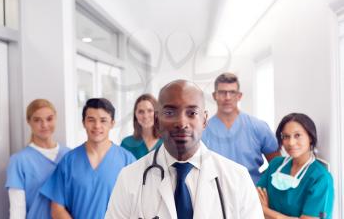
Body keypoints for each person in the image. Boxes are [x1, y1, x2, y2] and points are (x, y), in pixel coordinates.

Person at [104, 80, 264, 219]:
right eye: (169, 112)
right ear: (157, 120)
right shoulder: (129, 178)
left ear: (204, 120)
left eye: (192, 112)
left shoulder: (237, 178)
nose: (181, 122)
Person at [40, 98, 135, 219]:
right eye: (91, 120)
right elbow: (57, 208)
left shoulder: (127, 161)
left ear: (112, 123)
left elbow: (136, 205)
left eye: (103, 120)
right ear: (83, 122)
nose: (97, 126)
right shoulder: (69, 161)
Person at [202, 72, 279, 184]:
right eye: (222, 92)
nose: (227, 97)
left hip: (252, 194)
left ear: (239, 96)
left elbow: (277, 165)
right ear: (214, 96)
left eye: (232, 92)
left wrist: (260, 183)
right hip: (216, 195)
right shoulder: (202, 131)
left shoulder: (258, 127)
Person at [257, 113, 334, 218]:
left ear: (310, 137)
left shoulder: (321, 178)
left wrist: (266, 211)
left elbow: (260, 210)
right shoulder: (275, 165)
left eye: (297, 135)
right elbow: (254, 204)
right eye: (286, 136)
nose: (291, 142)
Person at [5, 99, 70, 219]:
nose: (44, 125)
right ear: (29, 121)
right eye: (37, 120)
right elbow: (17, 209)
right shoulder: (19, 161)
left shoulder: (69, 156)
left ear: (56, 118)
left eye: (49, 119)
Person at [121, 93, 163, 159]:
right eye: (141, 112)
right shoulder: (126, 144)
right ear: (135, 115)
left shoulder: (167, 142)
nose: (145, 116)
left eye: (150, 111)